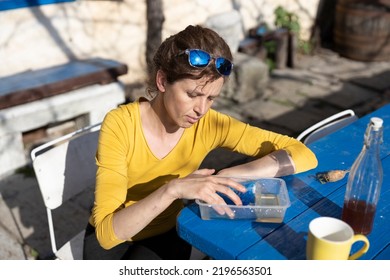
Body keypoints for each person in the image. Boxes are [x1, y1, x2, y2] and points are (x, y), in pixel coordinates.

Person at [83, 24, 318, 260]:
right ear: (163, 81)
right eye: (193, 95)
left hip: (169, 232)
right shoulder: (121, 125)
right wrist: (173, 190)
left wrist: (232, 175)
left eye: (211, 98)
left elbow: (304, 155)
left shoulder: (210, 125)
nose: (201, 110)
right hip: (116, 242)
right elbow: (107, 233)